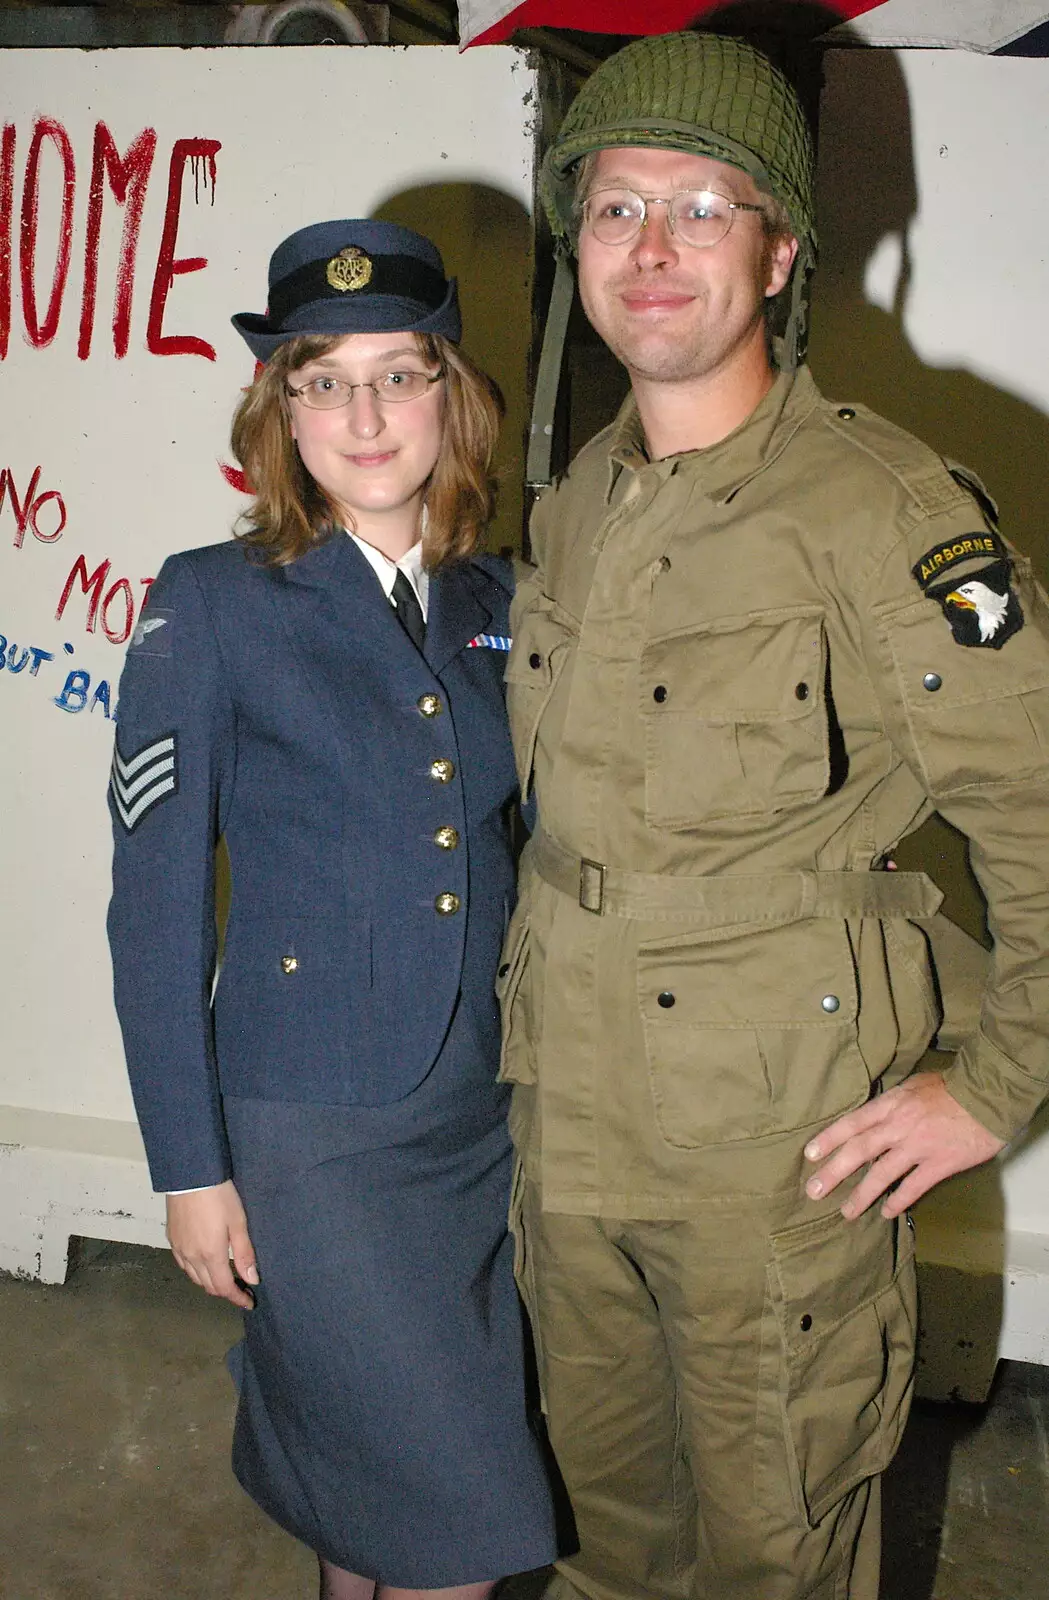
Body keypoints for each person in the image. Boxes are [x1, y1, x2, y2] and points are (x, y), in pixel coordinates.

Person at [499, 30, 1049, 1600]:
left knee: (776, 1558)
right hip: (571, 1119)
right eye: (614, 210)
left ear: (782, 246)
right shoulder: (580, 498)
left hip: (771, 1156)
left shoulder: (885, 513)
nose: (651, 251)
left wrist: (994, 1085)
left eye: (701, 207)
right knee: (607, 1543)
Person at [107, 218, 558, 1600]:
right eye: (323, 379)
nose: (364, 414)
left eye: (400, 373)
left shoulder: (506, 602)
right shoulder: (212, 604)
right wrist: (192, 1171)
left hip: (474, 1122)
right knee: (457, 1537)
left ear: (453, 395)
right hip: (314, 1136)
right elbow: (154, 910)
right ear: (279, 408)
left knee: (367, 1492)